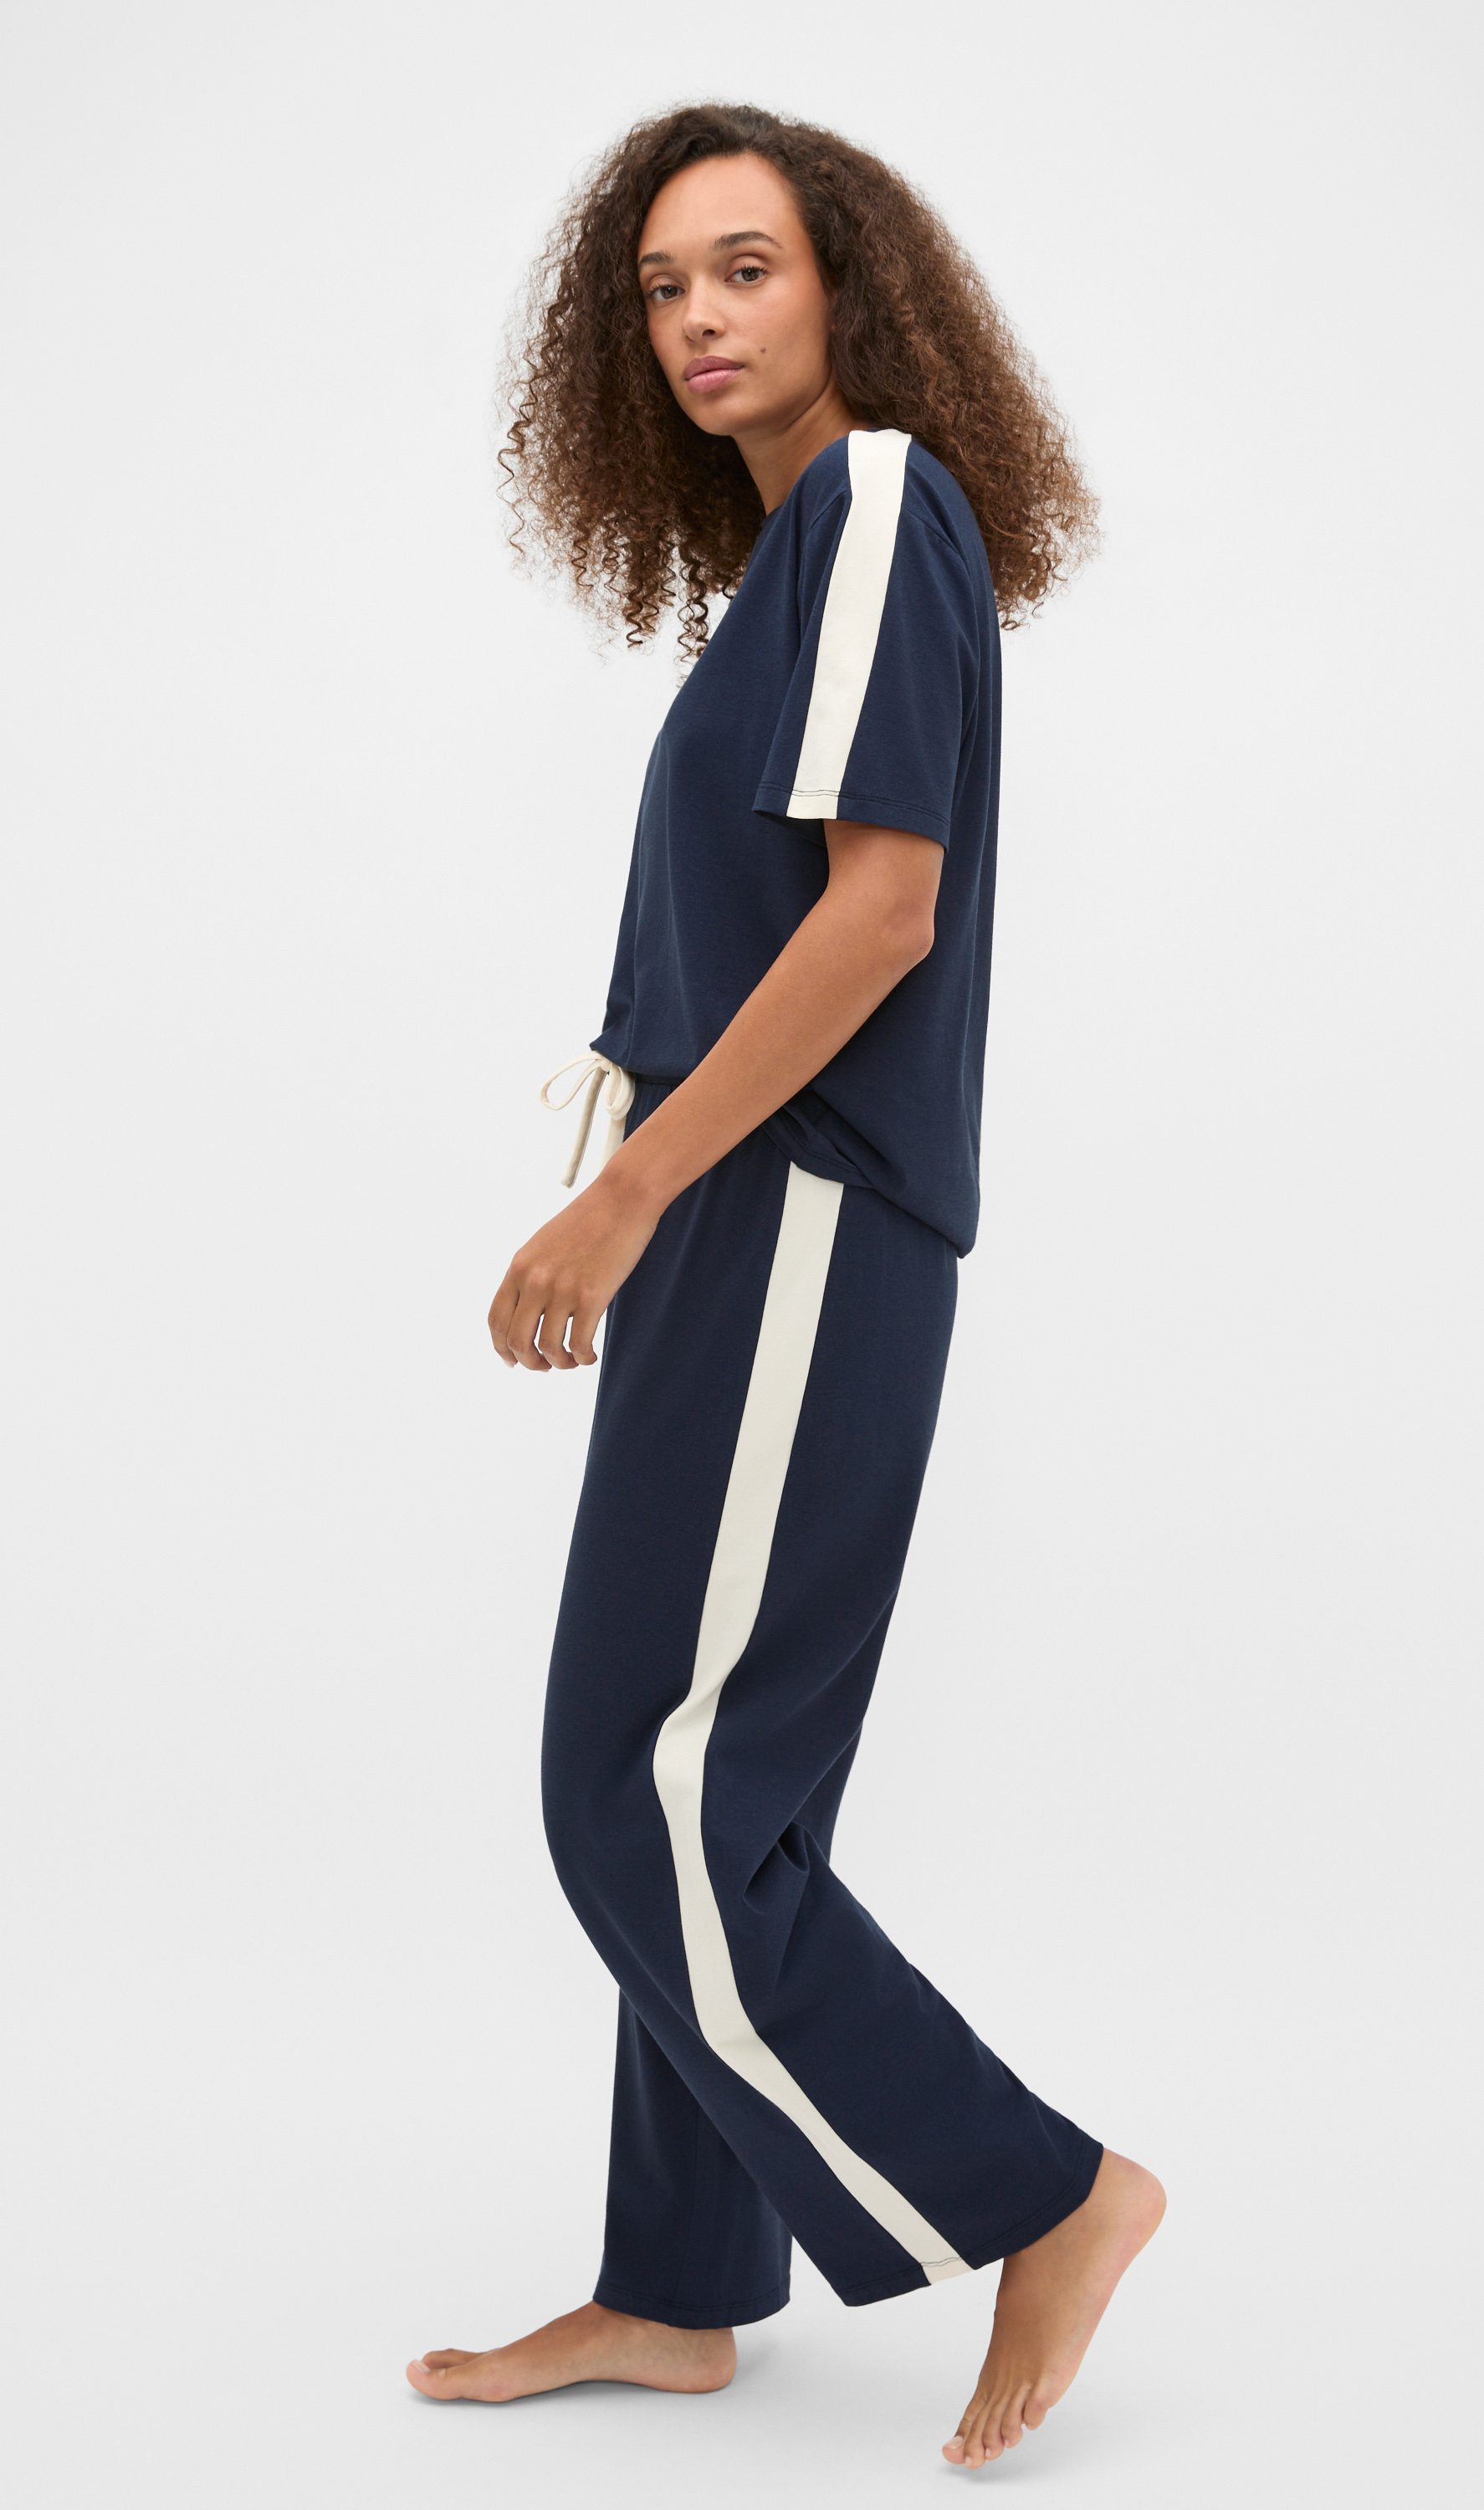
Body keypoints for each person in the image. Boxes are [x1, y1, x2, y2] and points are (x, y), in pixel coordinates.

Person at [405, 101, 1164, 2472]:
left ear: (853, 284)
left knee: (634, 1788)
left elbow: (881, 913)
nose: (698, 319)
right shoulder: (792, 562)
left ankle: (1047, 2194)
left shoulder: (873, 504)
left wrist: (625, 1198)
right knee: (706, 1778)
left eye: (746, 267)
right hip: (759, 1225)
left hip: (790, 1216)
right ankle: (680, 2283)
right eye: (660, 286)